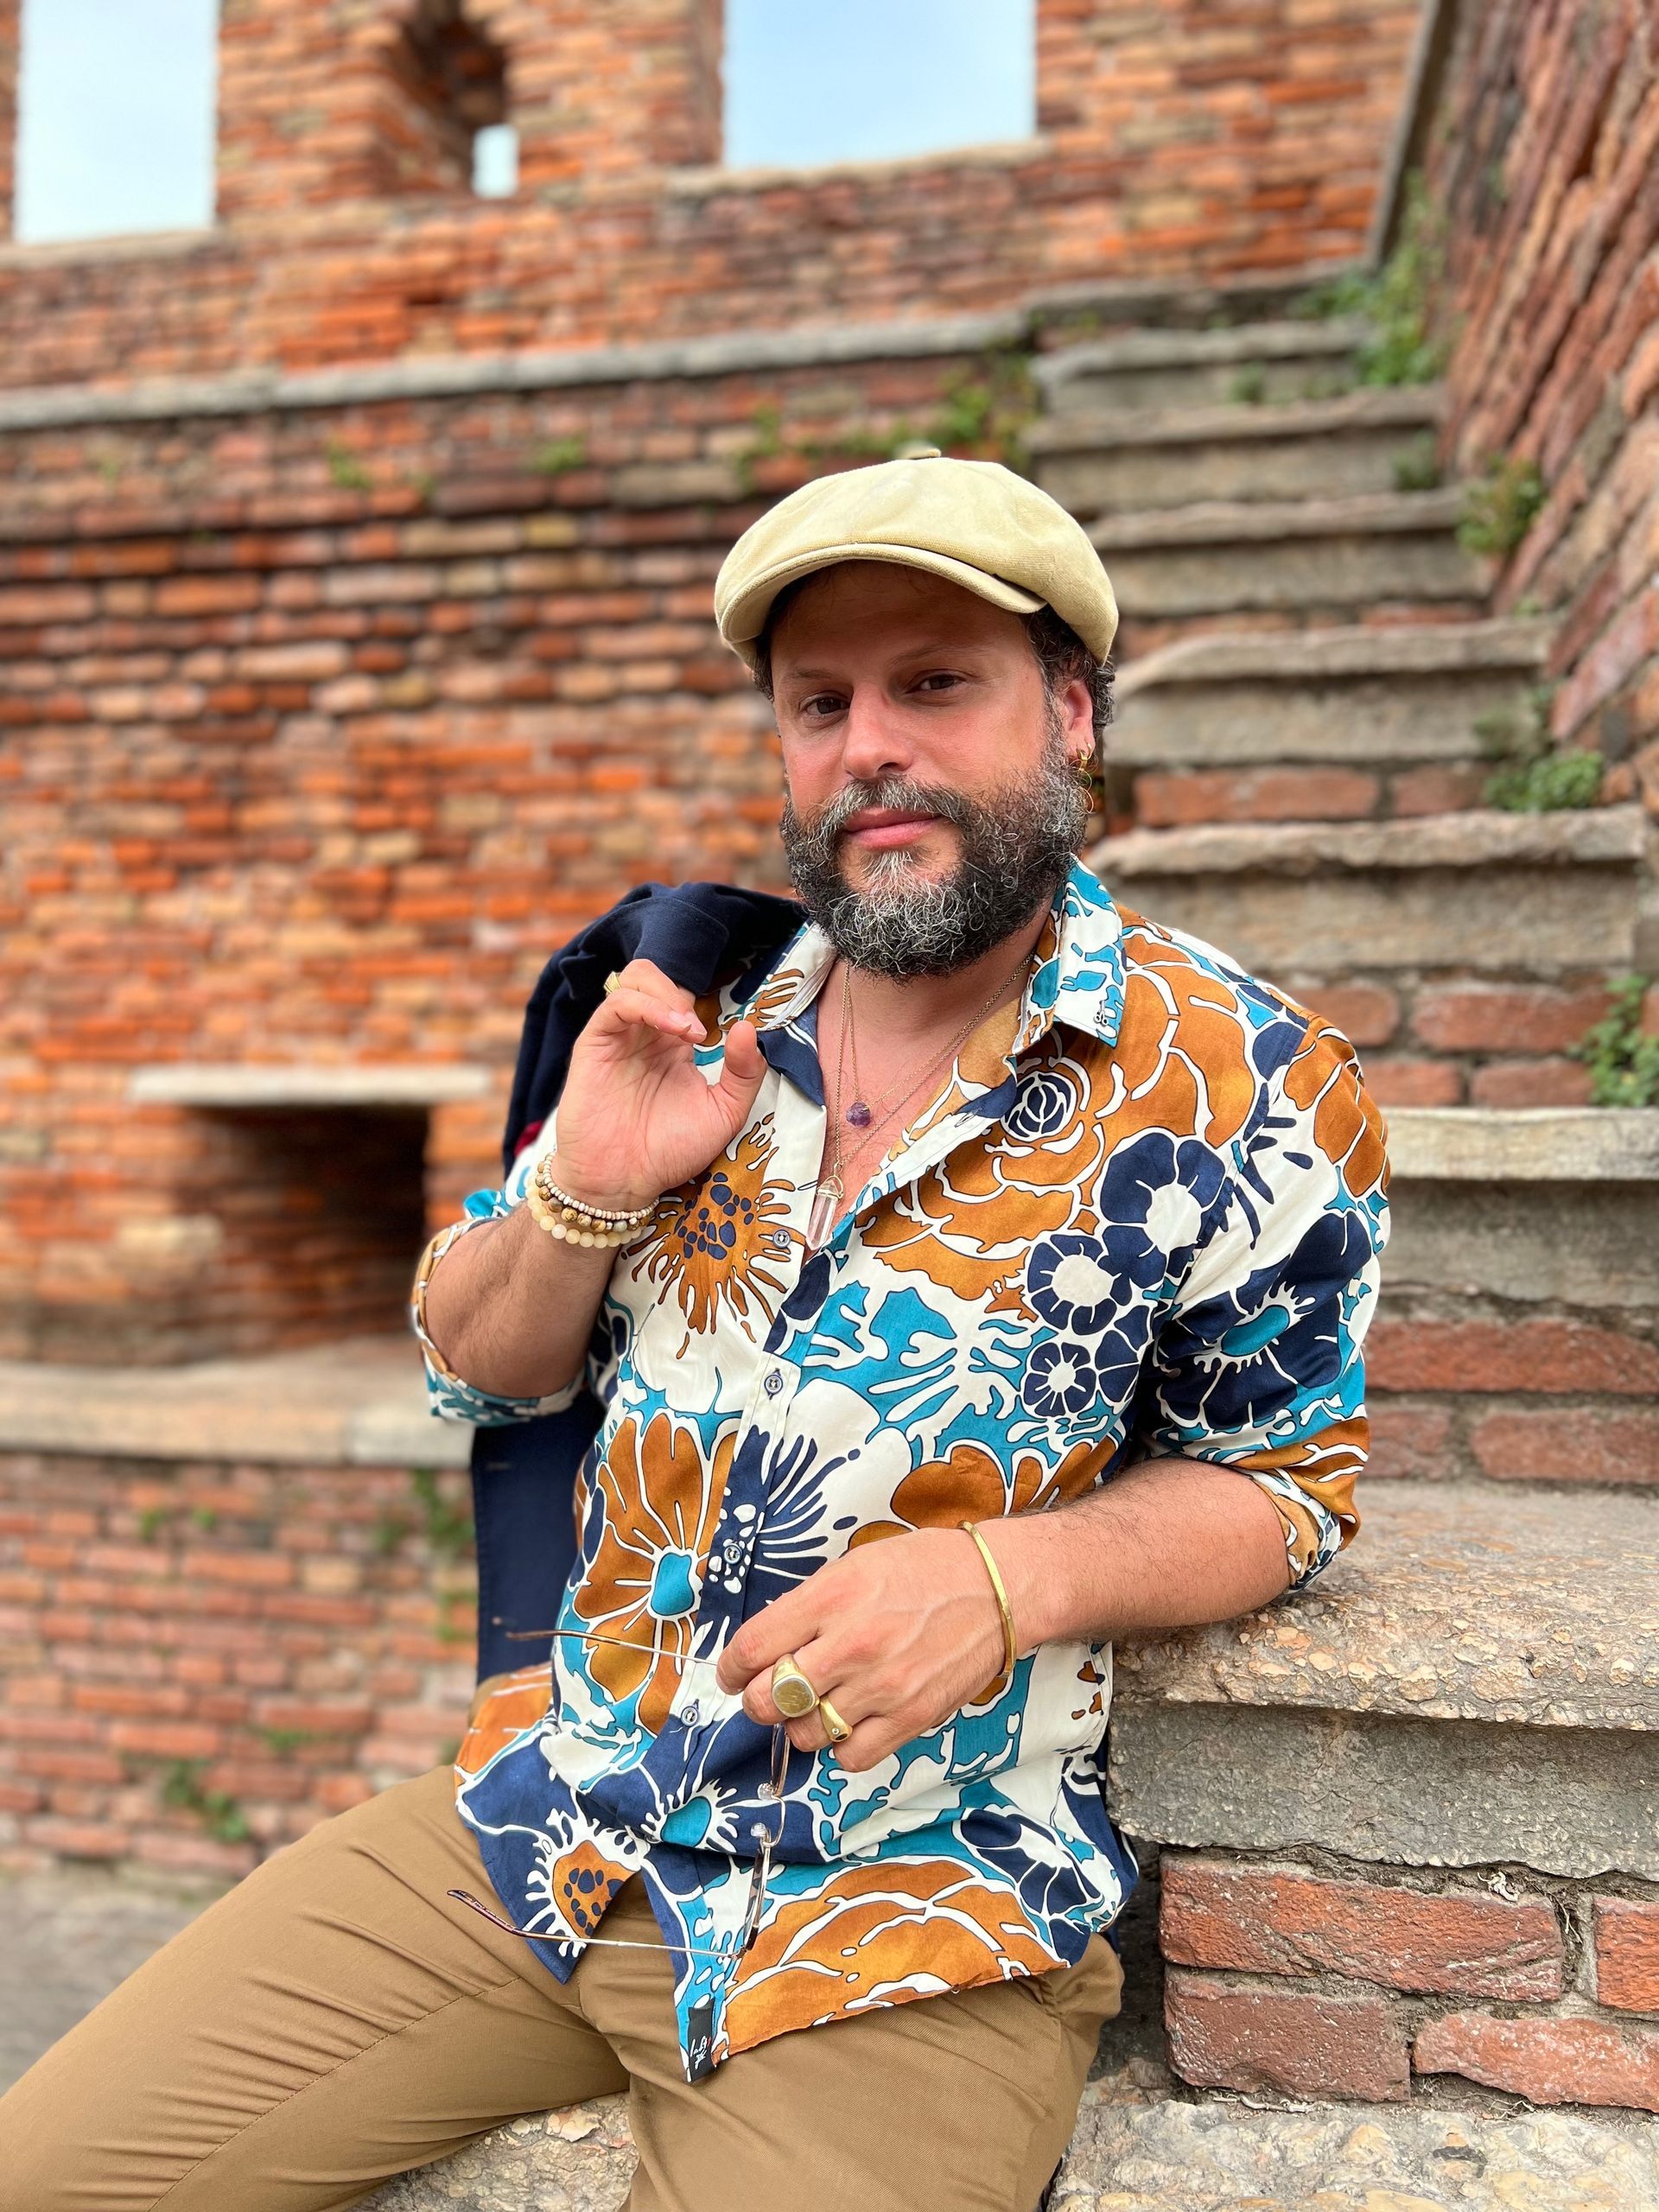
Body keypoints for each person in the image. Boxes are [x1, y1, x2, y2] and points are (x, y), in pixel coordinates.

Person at [0, 453, 1389, 2212]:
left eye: (935, 684)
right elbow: (474, 1354)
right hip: (542, 1831)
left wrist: (1005, 1582)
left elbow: (1289, 1482)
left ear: (1075, 714)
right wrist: (582, 1187)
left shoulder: (1254, 1085)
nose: (870, 741)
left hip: (906, 1918)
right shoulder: (686, 1012)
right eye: (822, 701)